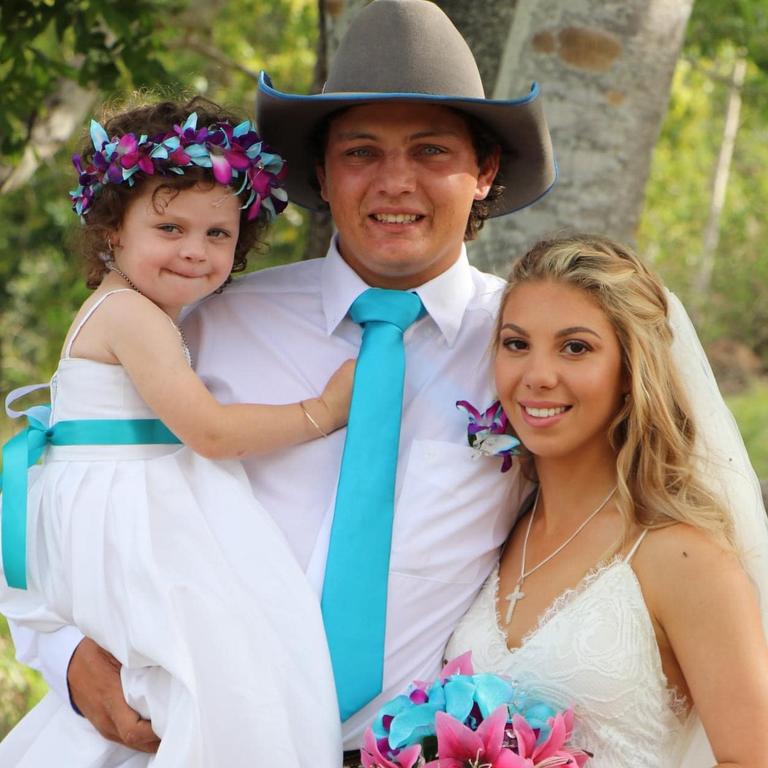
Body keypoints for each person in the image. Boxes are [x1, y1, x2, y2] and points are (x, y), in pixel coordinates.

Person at [6, 1, 759, 764]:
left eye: (432, 150)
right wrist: (68, 657)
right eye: (362, 152)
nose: (395, 181)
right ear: (324, 175)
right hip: (173, 741)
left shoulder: (533, 351)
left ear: (485, 171)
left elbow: (628, 509)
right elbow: (50, 504)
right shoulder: (196, 323)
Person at [0, 98, 348, 767]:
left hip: (115, 493)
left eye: (218, 235)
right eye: (169, 226)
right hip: (134, 509)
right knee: (220, 663)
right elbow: (210, 431)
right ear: (112, 232)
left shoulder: (132, 306)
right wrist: (324, 412)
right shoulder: (131, 314)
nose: (195, 249)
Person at [446, 235, 768, 768]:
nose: (538, 376)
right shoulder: (501, 527)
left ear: (629, 372)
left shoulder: (683, 556)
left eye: (576, 347)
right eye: (516, 343)